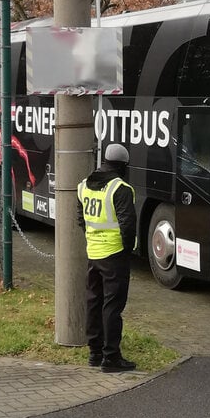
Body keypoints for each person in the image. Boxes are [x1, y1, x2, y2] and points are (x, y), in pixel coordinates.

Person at [77, 143, 137, 373]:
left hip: (93, 253)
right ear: (122, 165)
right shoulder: (120, 188)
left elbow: (80, 219)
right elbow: (128, 225)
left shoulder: (84, 185)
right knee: (112, 307)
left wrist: (94, 239)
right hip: (114, 255)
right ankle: (111, 357)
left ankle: (95, 353)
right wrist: (126, 250)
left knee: (94, 301)